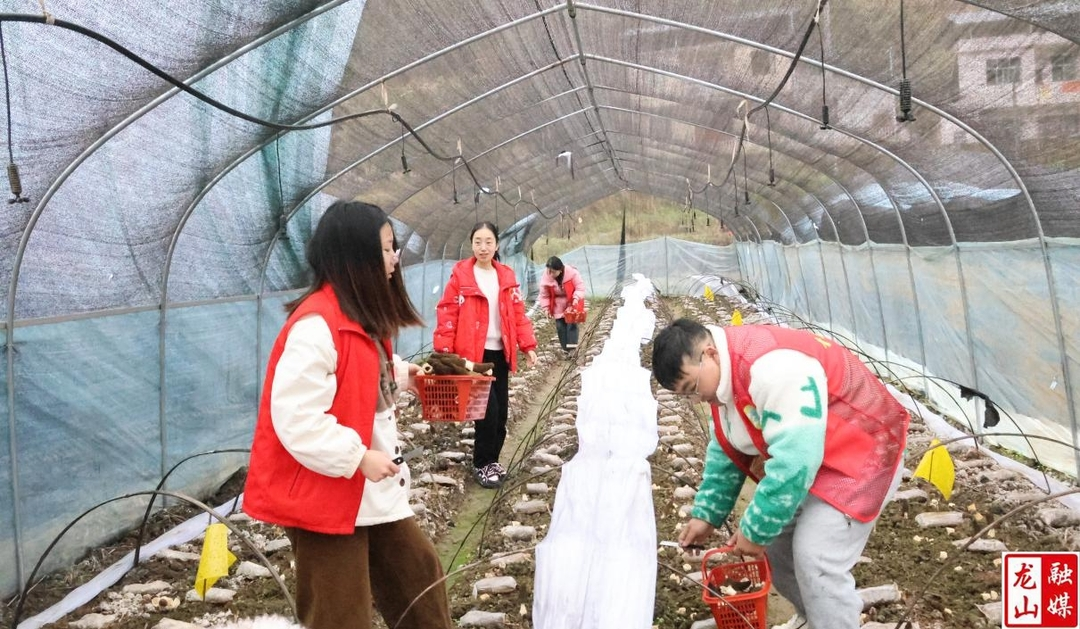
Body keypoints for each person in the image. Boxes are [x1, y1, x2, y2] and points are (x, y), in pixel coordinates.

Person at [243, 201, 453, 629]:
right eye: (387, 248)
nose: (395, 258)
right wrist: (357, 458)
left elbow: (355, 369)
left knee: (419, 581)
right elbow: (297, 419)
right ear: (354, 256)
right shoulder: (316, 326)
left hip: (371, 491)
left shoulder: (359, 317)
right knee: (340, 615)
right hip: (327, 494)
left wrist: (403, 375)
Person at [651, 318, 909, 629]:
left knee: (817, 556)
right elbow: (728, 443)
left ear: (710, 354)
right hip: (819, 454)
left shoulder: (772, 369)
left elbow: (796, 460)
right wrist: (707, 514)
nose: (697, 399)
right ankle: (812, 617)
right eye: (685, 395)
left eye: (693, 387)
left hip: (864, 451)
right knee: (776, 546)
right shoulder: (722, 380)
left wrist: (757, 528)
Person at [434, 222, 538, 488]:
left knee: (501, 412)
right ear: (472, 244)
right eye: (478, 241)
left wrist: (528, 346)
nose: (483, 247)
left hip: (500, 353)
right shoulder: (461, 276)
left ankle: (493, 460)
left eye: (488, 242)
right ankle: (481, 464)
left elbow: (517, 314)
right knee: (486, 412)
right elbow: (447, 312)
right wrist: (444, 352)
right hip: (473, 356)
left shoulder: (504, 276)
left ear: (496, 245)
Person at [537, 255, 586, 356]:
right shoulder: (546, 277)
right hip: (557, 303)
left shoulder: (572, 273)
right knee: (560, 326)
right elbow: (544, 295)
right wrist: (546, 308)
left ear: (560, 270)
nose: (551, 274)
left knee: (571, 323)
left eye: (553, 272)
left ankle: (572, 349)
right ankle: (565, 349)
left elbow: (580, 287)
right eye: (549, 271)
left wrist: (576, 298)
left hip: (571, 301)